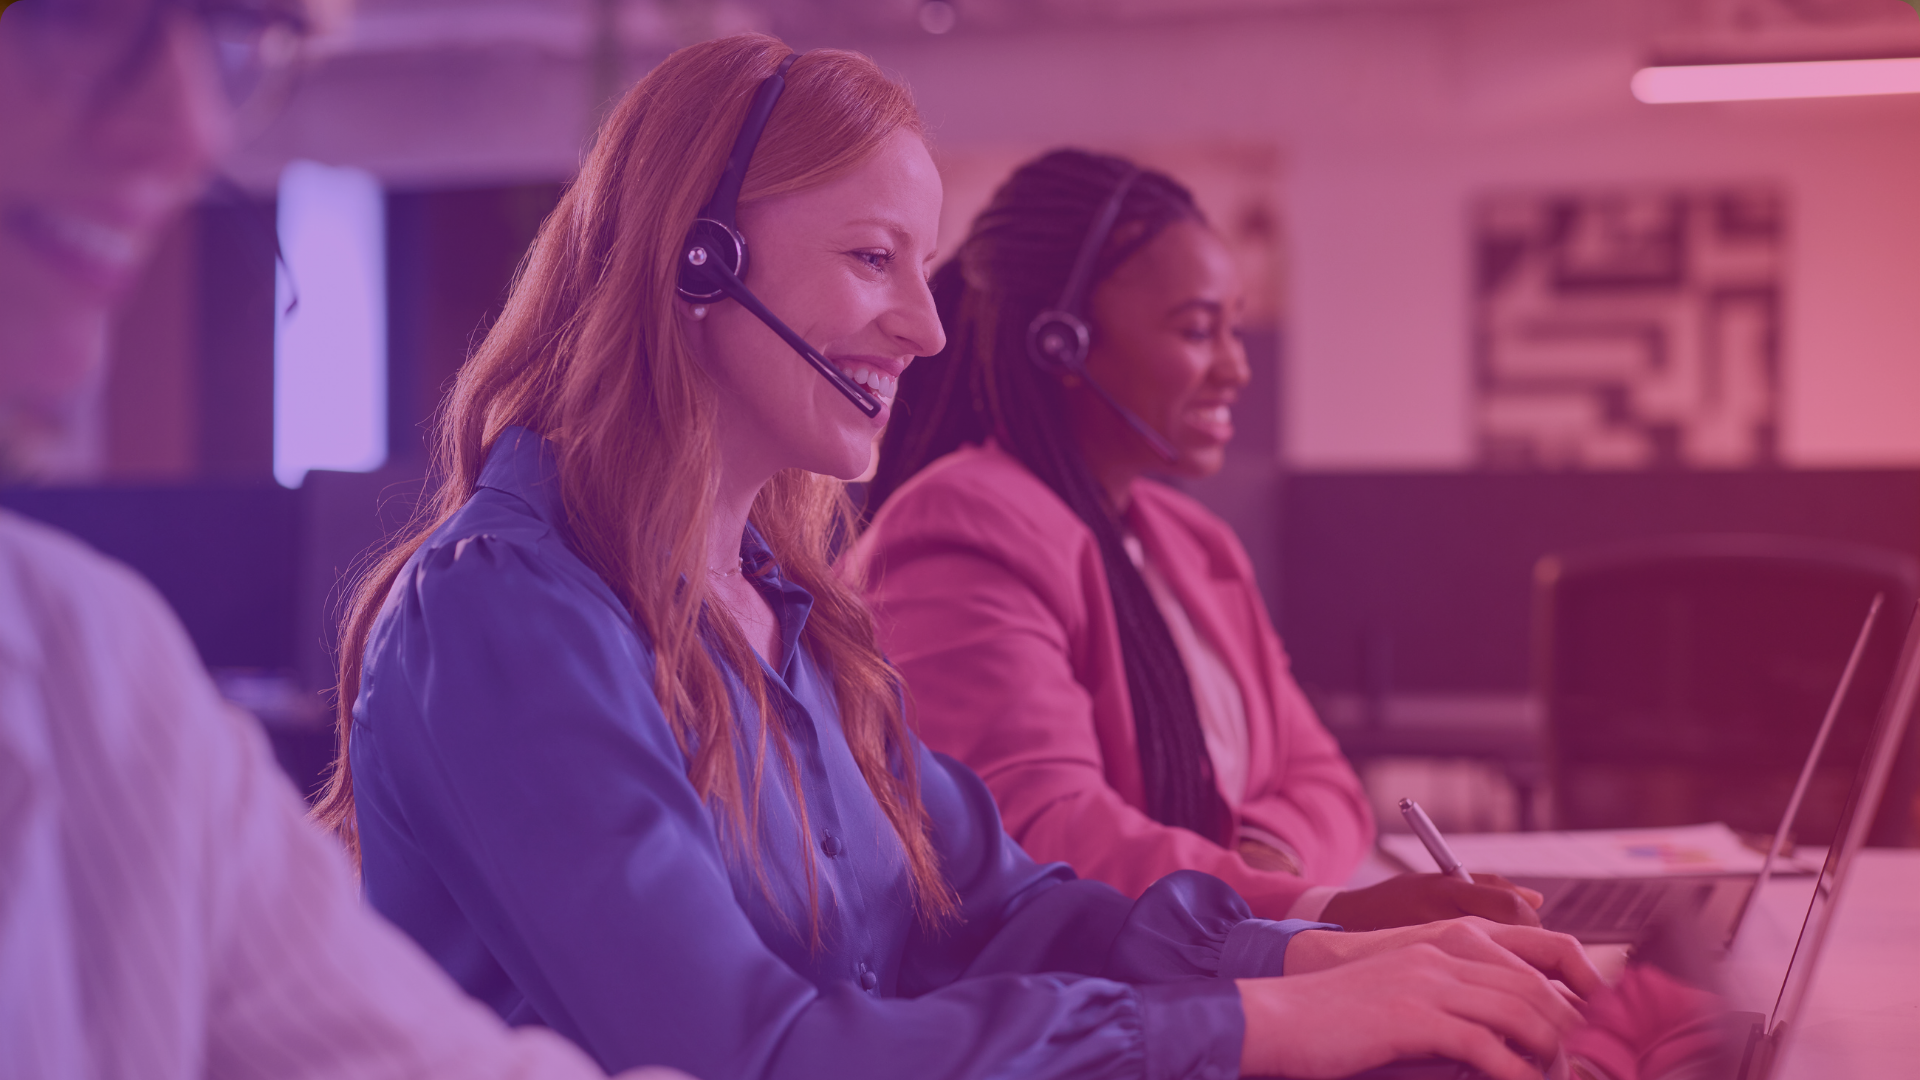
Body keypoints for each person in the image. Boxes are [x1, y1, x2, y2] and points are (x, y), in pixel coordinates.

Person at [318, 33, 1602, 1080]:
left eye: (923, 269)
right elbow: (741, 1052)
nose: (927, 330)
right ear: (696, 260)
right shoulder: (505, 619)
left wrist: (1312, 948)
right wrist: (1262, 1027)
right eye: (873, 260)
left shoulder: (792, 618)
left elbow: (1001, 908)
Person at [0, 2, 679, 1077]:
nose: (193, 133)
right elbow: (730, 1014)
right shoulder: (501, 600)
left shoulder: (98, 669)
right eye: (77, 14)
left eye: (222, 40)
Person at [856, 149, 1543, 931]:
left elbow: (1321, 777)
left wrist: (1262, 863)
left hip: (1217, 962)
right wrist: (1323, 910)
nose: (1235, 368)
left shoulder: (1191, 543)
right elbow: (1042, 837)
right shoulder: (962, 530)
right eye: (1197, 330)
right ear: (1063, 344)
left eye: (1234, 329)